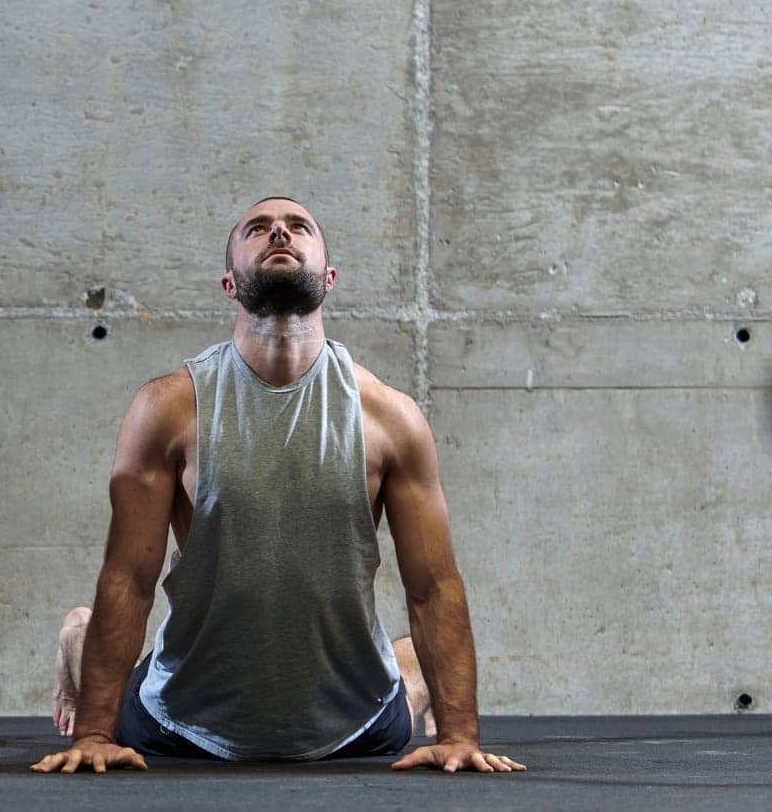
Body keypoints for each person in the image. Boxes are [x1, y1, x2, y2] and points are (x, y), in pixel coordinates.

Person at [34, 198, 524, 775]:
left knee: (410, 668)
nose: (279, 233)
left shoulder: (391, 418)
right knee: (96, 634)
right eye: (258, 229)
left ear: (330, 277)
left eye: (298, 227)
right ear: (228, 283)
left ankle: (407, 669)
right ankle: (78, 635)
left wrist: (461, 733)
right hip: (181, 722)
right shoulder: (168, 408)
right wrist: (93, 730)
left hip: (358, 724)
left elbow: (434, 586)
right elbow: (130, 578)